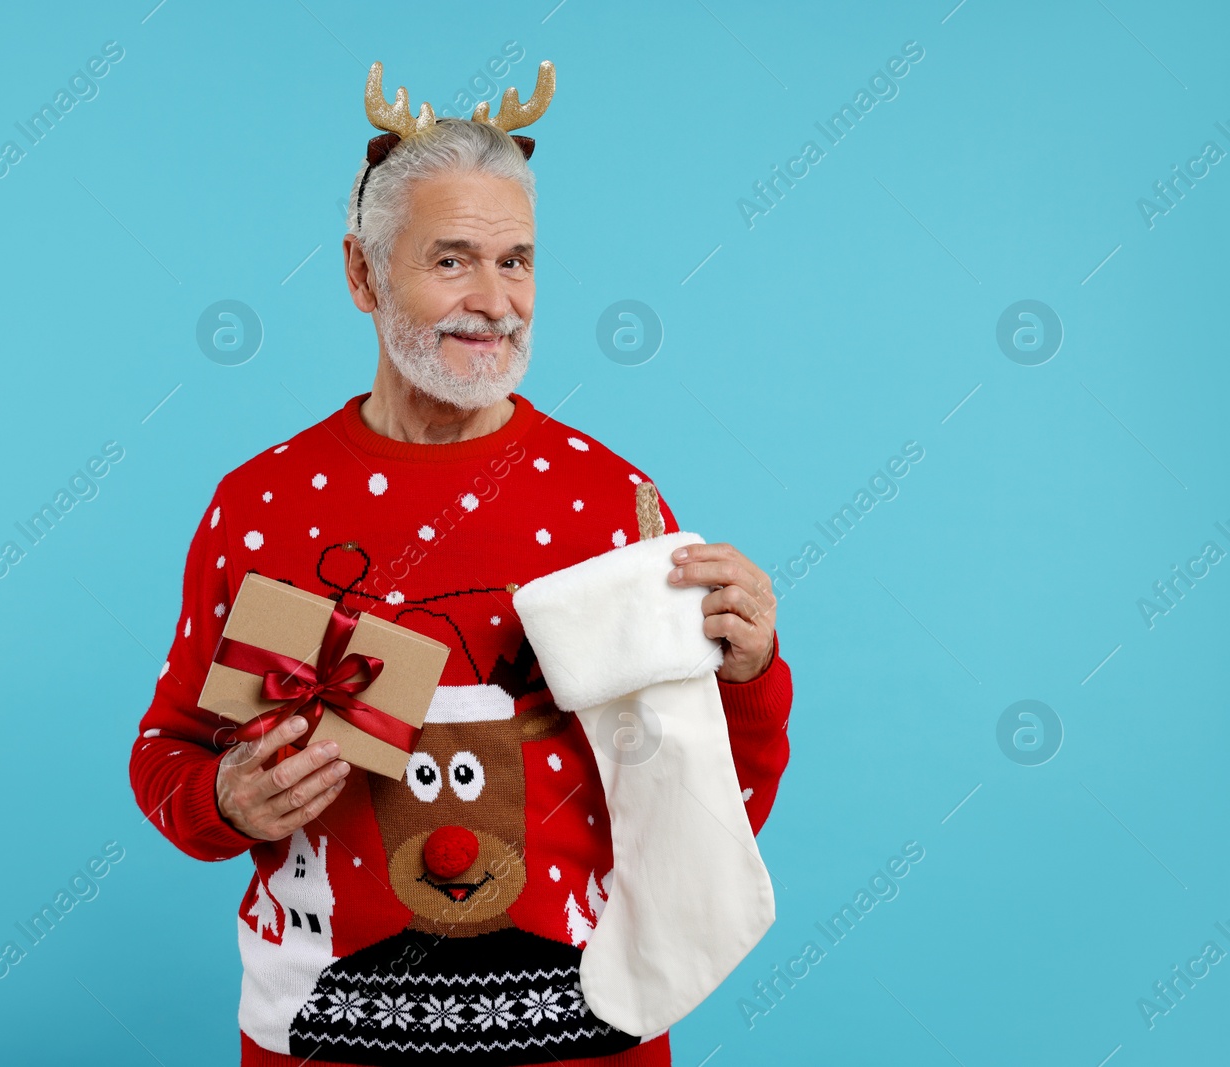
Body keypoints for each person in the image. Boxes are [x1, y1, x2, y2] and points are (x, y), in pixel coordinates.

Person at [130, 61, 792, 1067]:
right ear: (361, 274)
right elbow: (168, 750)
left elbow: (708, 798)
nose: (494, 300)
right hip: (322, 1034)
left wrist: (747, 674)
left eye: (517, 260)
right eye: (451, 260)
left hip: (583, 1033)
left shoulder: (615, 499)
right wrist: (224, 796)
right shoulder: (255, 505)